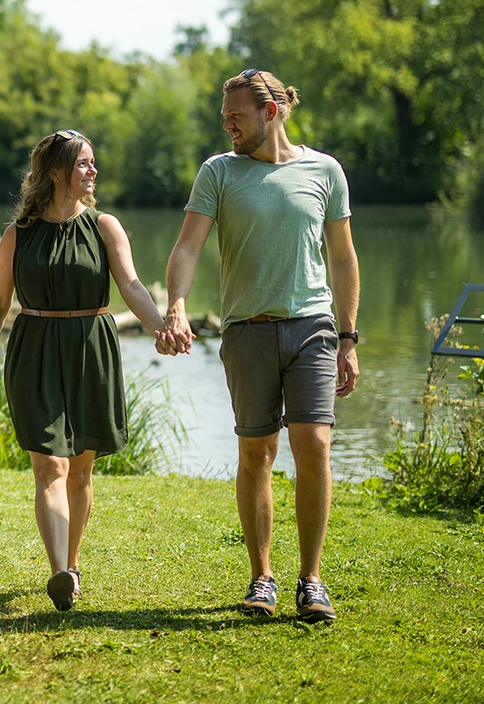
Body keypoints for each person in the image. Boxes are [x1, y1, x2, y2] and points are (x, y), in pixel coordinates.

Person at [157, 69, 359, 623]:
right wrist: (176, 304)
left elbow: (342, 258)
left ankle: (312, 580)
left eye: (236, 117)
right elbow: (187, 247)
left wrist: (348, 336)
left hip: (313, 326)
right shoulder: (218, 173)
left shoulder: (325, 171)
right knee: (256, 453)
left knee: (314, 443)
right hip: (246, 329)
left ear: (270, 113)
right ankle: (262, 577)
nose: (228, 126)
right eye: (224, 118)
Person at [0, 129, 167, 612]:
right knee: (49, 466)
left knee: (80, 471)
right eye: (83, 164)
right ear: (55, 172)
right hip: (34, 351)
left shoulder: (105, 226)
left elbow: (133, 286)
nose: (93, 171)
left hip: (90, 349)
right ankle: (59, 571)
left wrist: (163, 326)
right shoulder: (18, 235)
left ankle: (72, 565)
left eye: (93, 163)